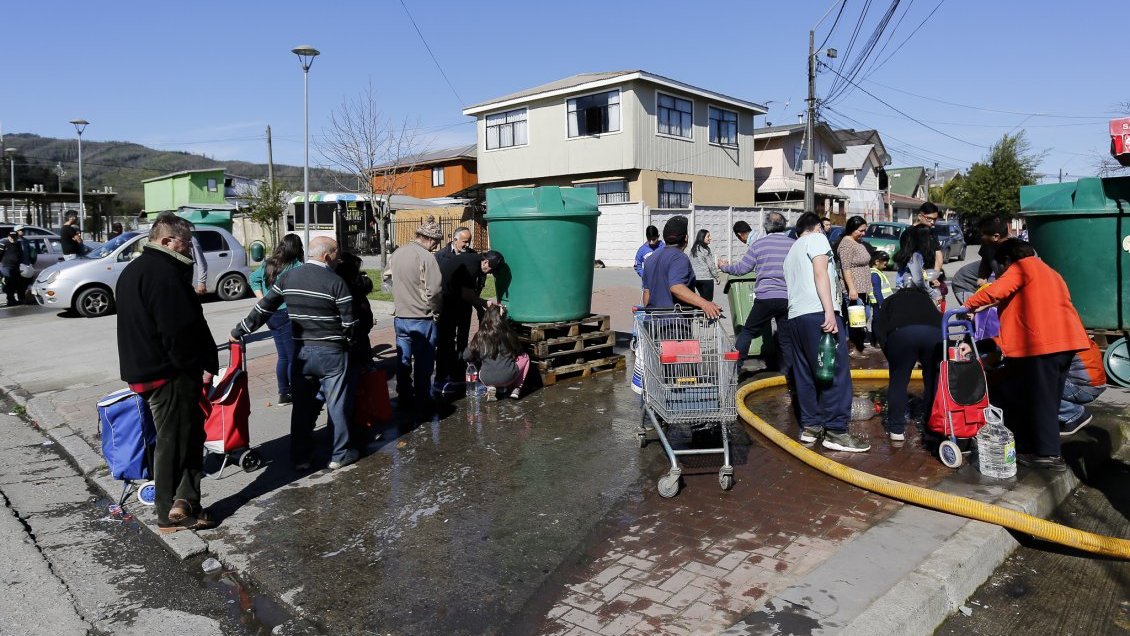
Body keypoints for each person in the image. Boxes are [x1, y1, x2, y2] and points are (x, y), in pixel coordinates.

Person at [115, 214, 218, 533]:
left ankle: (184, 501)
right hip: (167, 373)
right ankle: (168, 511)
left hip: (148, 370)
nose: (190, 250)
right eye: (186, 243)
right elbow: (177, 332)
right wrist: (196, 368)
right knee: (172, 441)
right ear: (166, 242)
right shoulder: (164, 274)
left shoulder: (134, 270)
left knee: (187, 436)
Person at [231, 236, 359, 471]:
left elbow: (264, 308)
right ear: (327, 256)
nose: (339, 258)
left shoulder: (288, 278)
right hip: (332, 352)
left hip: (302, 352)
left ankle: (301, 457)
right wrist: (347, 344)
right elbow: (350, 323)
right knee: (337, 405)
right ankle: (340, 455)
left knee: (302, 406)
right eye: (336, 254)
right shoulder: (336, 282)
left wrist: (240, 330)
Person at [962, 239, 1090, 471]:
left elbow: (996, 290)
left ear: (1008, 261)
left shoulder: (1022, 267)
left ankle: (1049, 455)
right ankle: (1040, 448)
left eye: (1001, 267)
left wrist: (968, 306)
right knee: (1047, 399)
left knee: (1040, 400)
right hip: (1066, 342)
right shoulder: (1050, 272)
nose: (1000, 272)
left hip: (1044, 346)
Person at [783, 211, 870, 452]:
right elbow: (820, 272)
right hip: (819, 313)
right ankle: (836, 431)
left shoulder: (791, 252)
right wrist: (830, 311)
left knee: (805, 372)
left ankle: (811, 426)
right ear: (817, 227)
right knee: (835, 371)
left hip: (796, 317)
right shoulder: (817, 239)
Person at [720, 211, 794, 369]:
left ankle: (736, 369)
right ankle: (790, 374)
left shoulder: (758, 245)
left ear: (766, 226)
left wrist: (723, 267)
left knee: (748, 331)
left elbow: (741, 269)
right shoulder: (792, 244)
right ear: (784, 225)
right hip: (787, 298)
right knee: (786, 338)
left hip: (765, 298)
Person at [872, 278, 942, 441]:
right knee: (933, 381)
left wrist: (893, 357)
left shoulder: (891, 300)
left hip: (901, 334)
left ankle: (896, 429)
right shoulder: (926, 299)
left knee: (898, 382)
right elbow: (940, 321)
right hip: (934, 335)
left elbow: (880, 329)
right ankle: (932, 426)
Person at [388, 217, 444, 409]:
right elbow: (435, 290)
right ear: (430, 239)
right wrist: (436, 312)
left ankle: (404, 395)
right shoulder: (427, 257)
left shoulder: (397, 253)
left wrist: (400, 296)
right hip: (422, 317)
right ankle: (423, 398)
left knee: (403, 360)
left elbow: (386, 278)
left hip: (401, 316)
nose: (436, 246)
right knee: (424, 363)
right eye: (436, 242)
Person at [434, 249, 505, 392]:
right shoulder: (471, 266)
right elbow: (468, 295)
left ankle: (457, 374)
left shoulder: (473, 261)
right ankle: (442, 379)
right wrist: (485, 303)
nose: (490, 272)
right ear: (485, 261)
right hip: (448, 304)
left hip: (456, 303)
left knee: (459, 340)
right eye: (490, 268)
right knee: (447, 342)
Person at [249, 234, 304, 404]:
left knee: (283, 356)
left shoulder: (269, 263)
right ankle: (294, 392)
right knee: (292, 355)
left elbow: (253, 279)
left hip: (270, 315)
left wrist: (263, 300)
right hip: (286, 313)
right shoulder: (297, 266)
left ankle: (283, 392)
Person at [641, 216, 721, 318]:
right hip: (674, 325)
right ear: (686, 238)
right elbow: (676, 287)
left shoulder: (651, 258)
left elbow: (646, 293)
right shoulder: (679, 257)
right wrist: (705, 303)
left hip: (653, 322)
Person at [464, 304, 531, 400]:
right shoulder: (508, 334)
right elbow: (518, 350)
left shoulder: (480, 335)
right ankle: (516, 388)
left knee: (483, 365)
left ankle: (490, 387)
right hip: (508, 376)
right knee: (525, 357)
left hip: (486, 378)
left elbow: (466, 356)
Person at [834, 216, 872, 353]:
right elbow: (846, 268)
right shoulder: (846, 244)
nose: (863, 233)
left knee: (863, 316)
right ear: (852, 229)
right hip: (853, 289)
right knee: (856, 319)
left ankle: (856, 344)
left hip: (862, 288)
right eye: (861, 230)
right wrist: (852, 289)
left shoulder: (857, 242)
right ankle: (851, 346)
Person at [1058, 340, 1106, 436]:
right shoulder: (1073, 333)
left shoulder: (1058, 340)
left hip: (1083, 388)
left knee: (1031, 384)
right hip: (1093, 385)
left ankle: (1072, 414)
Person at [899, 202, 944, 273]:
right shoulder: (908, 233)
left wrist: (935, 273)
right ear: (920, 216)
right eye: (929, 218)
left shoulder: (931, 232)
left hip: (931, 274)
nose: (932, 222)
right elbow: (909, 258)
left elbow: (938, 254)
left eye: (935, 219)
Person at [688, 229, 722, 302]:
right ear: (702, 237)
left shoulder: (693, 249)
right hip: (706, 278)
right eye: (708, 236)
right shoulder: (705, 249)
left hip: (695, 279)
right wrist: (716, 276)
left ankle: (698, 312)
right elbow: (710, 265)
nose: (710, 238)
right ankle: (705, 313)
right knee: (708, 301)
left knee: (700, 300)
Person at [976, 216, 1009, 286]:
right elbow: (984, 270)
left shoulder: (1018, 250)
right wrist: (982, 279)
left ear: (996, 237)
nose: (980, 238)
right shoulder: (987, 247)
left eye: (982, 235)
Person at [0, 230, 30, 306]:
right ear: (8, 237)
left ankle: (20, 299)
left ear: (17, 237)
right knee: (9, 284)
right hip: (6, 266)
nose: (13, 239)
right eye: (11, 237)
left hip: (16, 266)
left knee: (18, 283)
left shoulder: (18, 244)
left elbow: (21, 254)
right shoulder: (4, 243)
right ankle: (10, 300)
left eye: (14, 237)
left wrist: (22, 263)